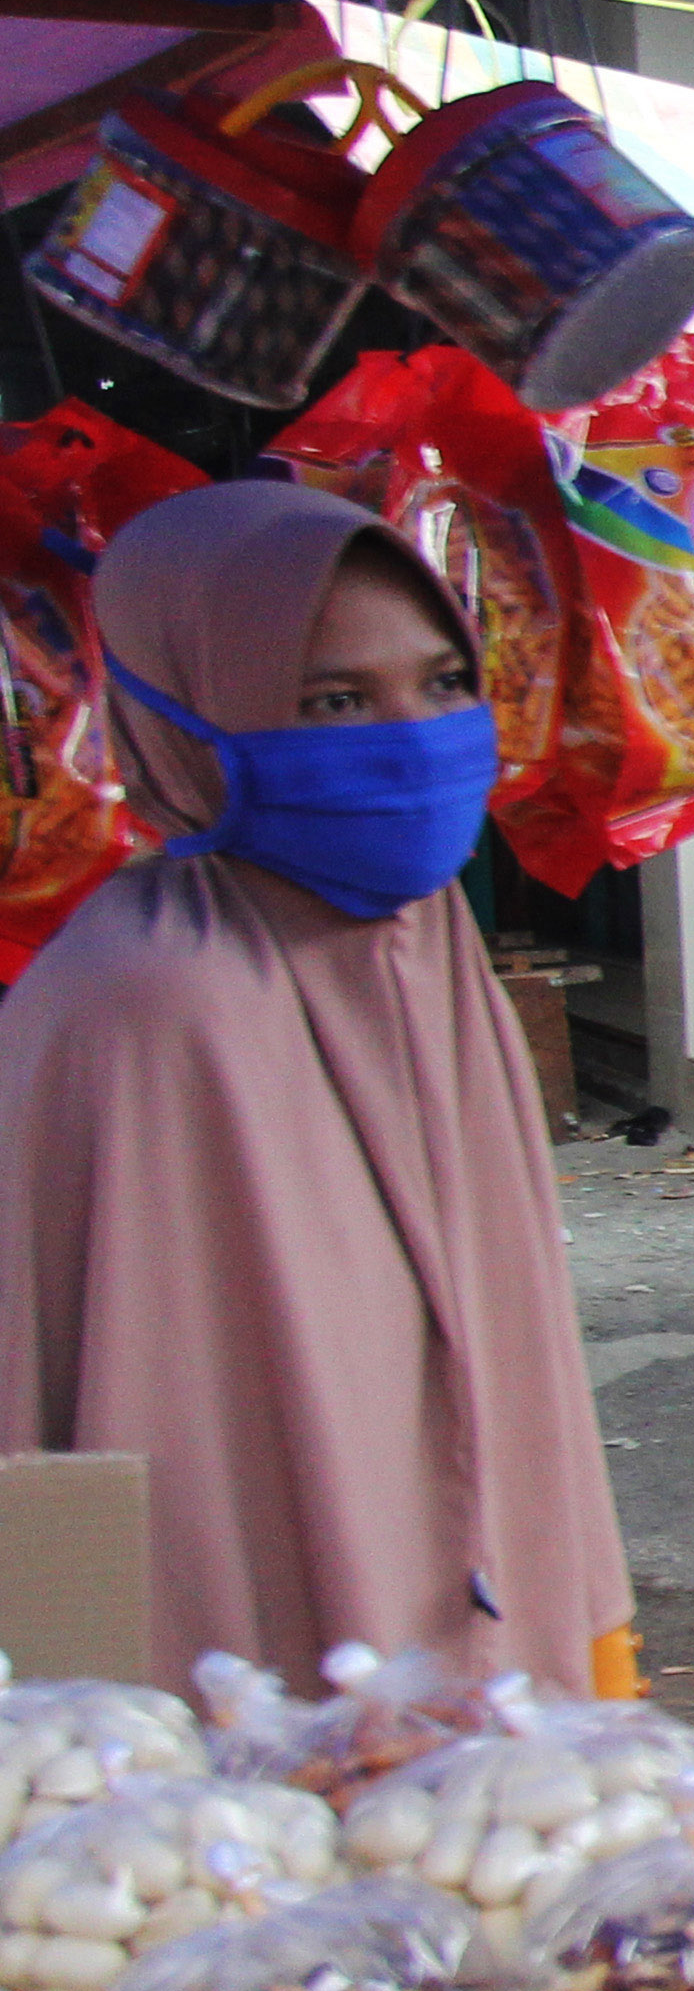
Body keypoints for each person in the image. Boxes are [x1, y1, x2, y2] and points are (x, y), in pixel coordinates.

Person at [0, 480, 635, 1696]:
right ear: (179, 717)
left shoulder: (431, 942)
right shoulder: (142, 1000)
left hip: (493, 1670)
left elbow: (515, 1350)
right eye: (331, 701)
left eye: (444, 684)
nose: (409, 736)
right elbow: (45, 1425)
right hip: (242, 1702)